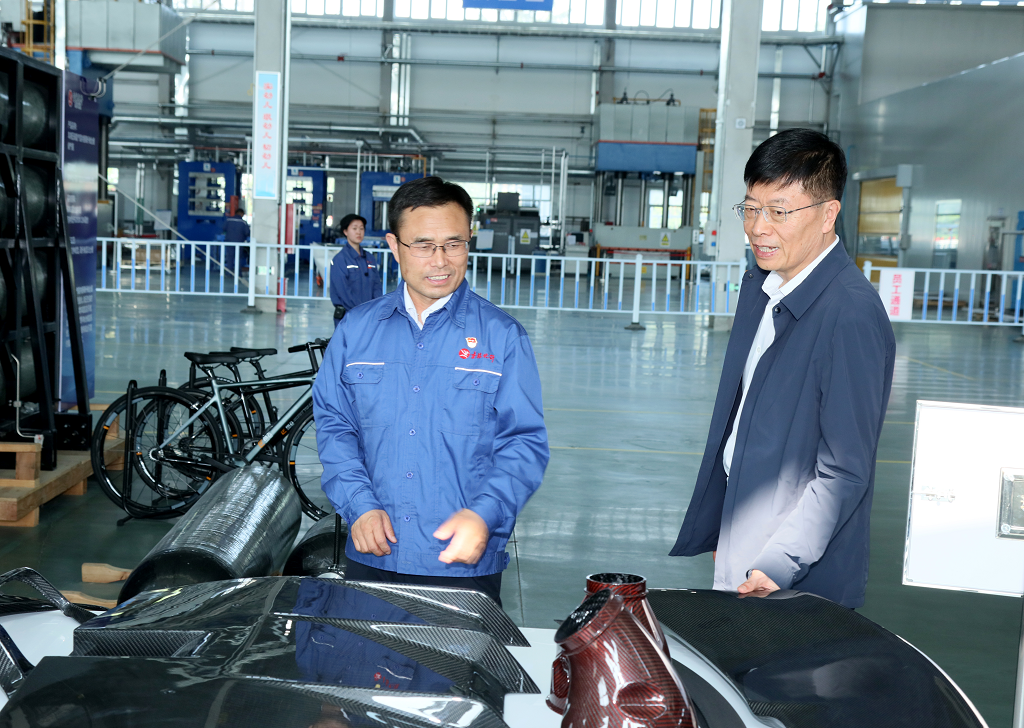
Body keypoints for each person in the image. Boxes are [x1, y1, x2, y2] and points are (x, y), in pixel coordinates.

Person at [669, 129, 896, 609]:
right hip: (745, 542)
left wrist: (776, 562)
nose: (757, 228)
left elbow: (844, 472)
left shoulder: (850, 314)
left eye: (779, 211)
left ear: (828, 214)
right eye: (751, 209)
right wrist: (727, 528)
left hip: (790, 574)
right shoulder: (763, 287)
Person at [312, 176, 549, 606]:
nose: (440, 261)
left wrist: (485, 514)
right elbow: (335, 426)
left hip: (462, 565)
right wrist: (359, 504)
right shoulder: (356, 331)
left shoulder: (502, 337)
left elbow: (524, 442)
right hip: (375, 552)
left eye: (454, 244)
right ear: (394, 244)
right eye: (423, 245)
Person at [328, 214, 380, 325]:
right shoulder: (339, 260)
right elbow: (343, 292)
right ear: (345, 231)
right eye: (354, 228)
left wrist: (375, 309)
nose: (358, 232)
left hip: (369, 317)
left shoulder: (370, 258)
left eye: (361, 228)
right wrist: (362, 311)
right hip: (348, 318)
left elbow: (376, 287)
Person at [223, 205, 250, 270]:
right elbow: (247, 232)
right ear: (241, 214)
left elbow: (224, 228)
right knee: (238, 258)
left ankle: (229, 273)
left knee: (230, 258)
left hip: (229, 242)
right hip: (239, 242)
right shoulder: (243, 222)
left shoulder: (228, 220)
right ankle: (238, 273)